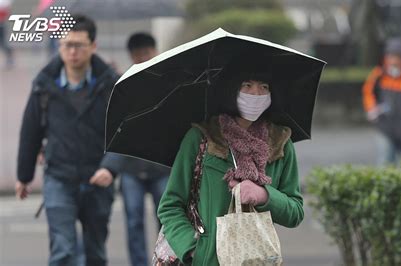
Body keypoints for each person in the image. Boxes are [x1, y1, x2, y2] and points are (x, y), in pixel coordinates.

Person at [158, 59, 304, 265]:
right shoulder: (202, 138)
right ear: (232, 88)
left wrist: (264, 195)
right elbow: (170, 206)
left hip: (258, 258)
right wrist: (192, 251)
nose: (256, 94)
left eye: (264, 87)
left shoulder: (280, 143)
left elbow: (295, 212)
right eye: (247, 85)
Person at [15, 14, 120, 266]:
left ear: (93, 46)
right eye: (66, 45)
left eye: (78, 45)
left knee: (95, 253)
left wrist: (111, 167)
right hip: (59, 178)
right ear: (59, 46)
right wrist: (24, 176)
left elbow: (123, 131)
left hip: (98, 180)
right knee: (63, 250)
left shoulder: (111, 85)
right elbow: (30, 131)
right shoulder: (43, 85)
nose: (72, 51)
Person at [104, 32, 169, 266]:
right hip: (131, 168)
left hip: (161, 167)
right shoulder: (121, 85)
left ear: (156, 52)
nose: (143, 57)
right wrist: (110, 76)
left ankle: (165, 260)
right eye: (138, 54)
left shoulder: (168, 82)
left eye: (147, 53)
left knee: (167, 221)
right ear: (131, 56)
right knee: (133, 221)